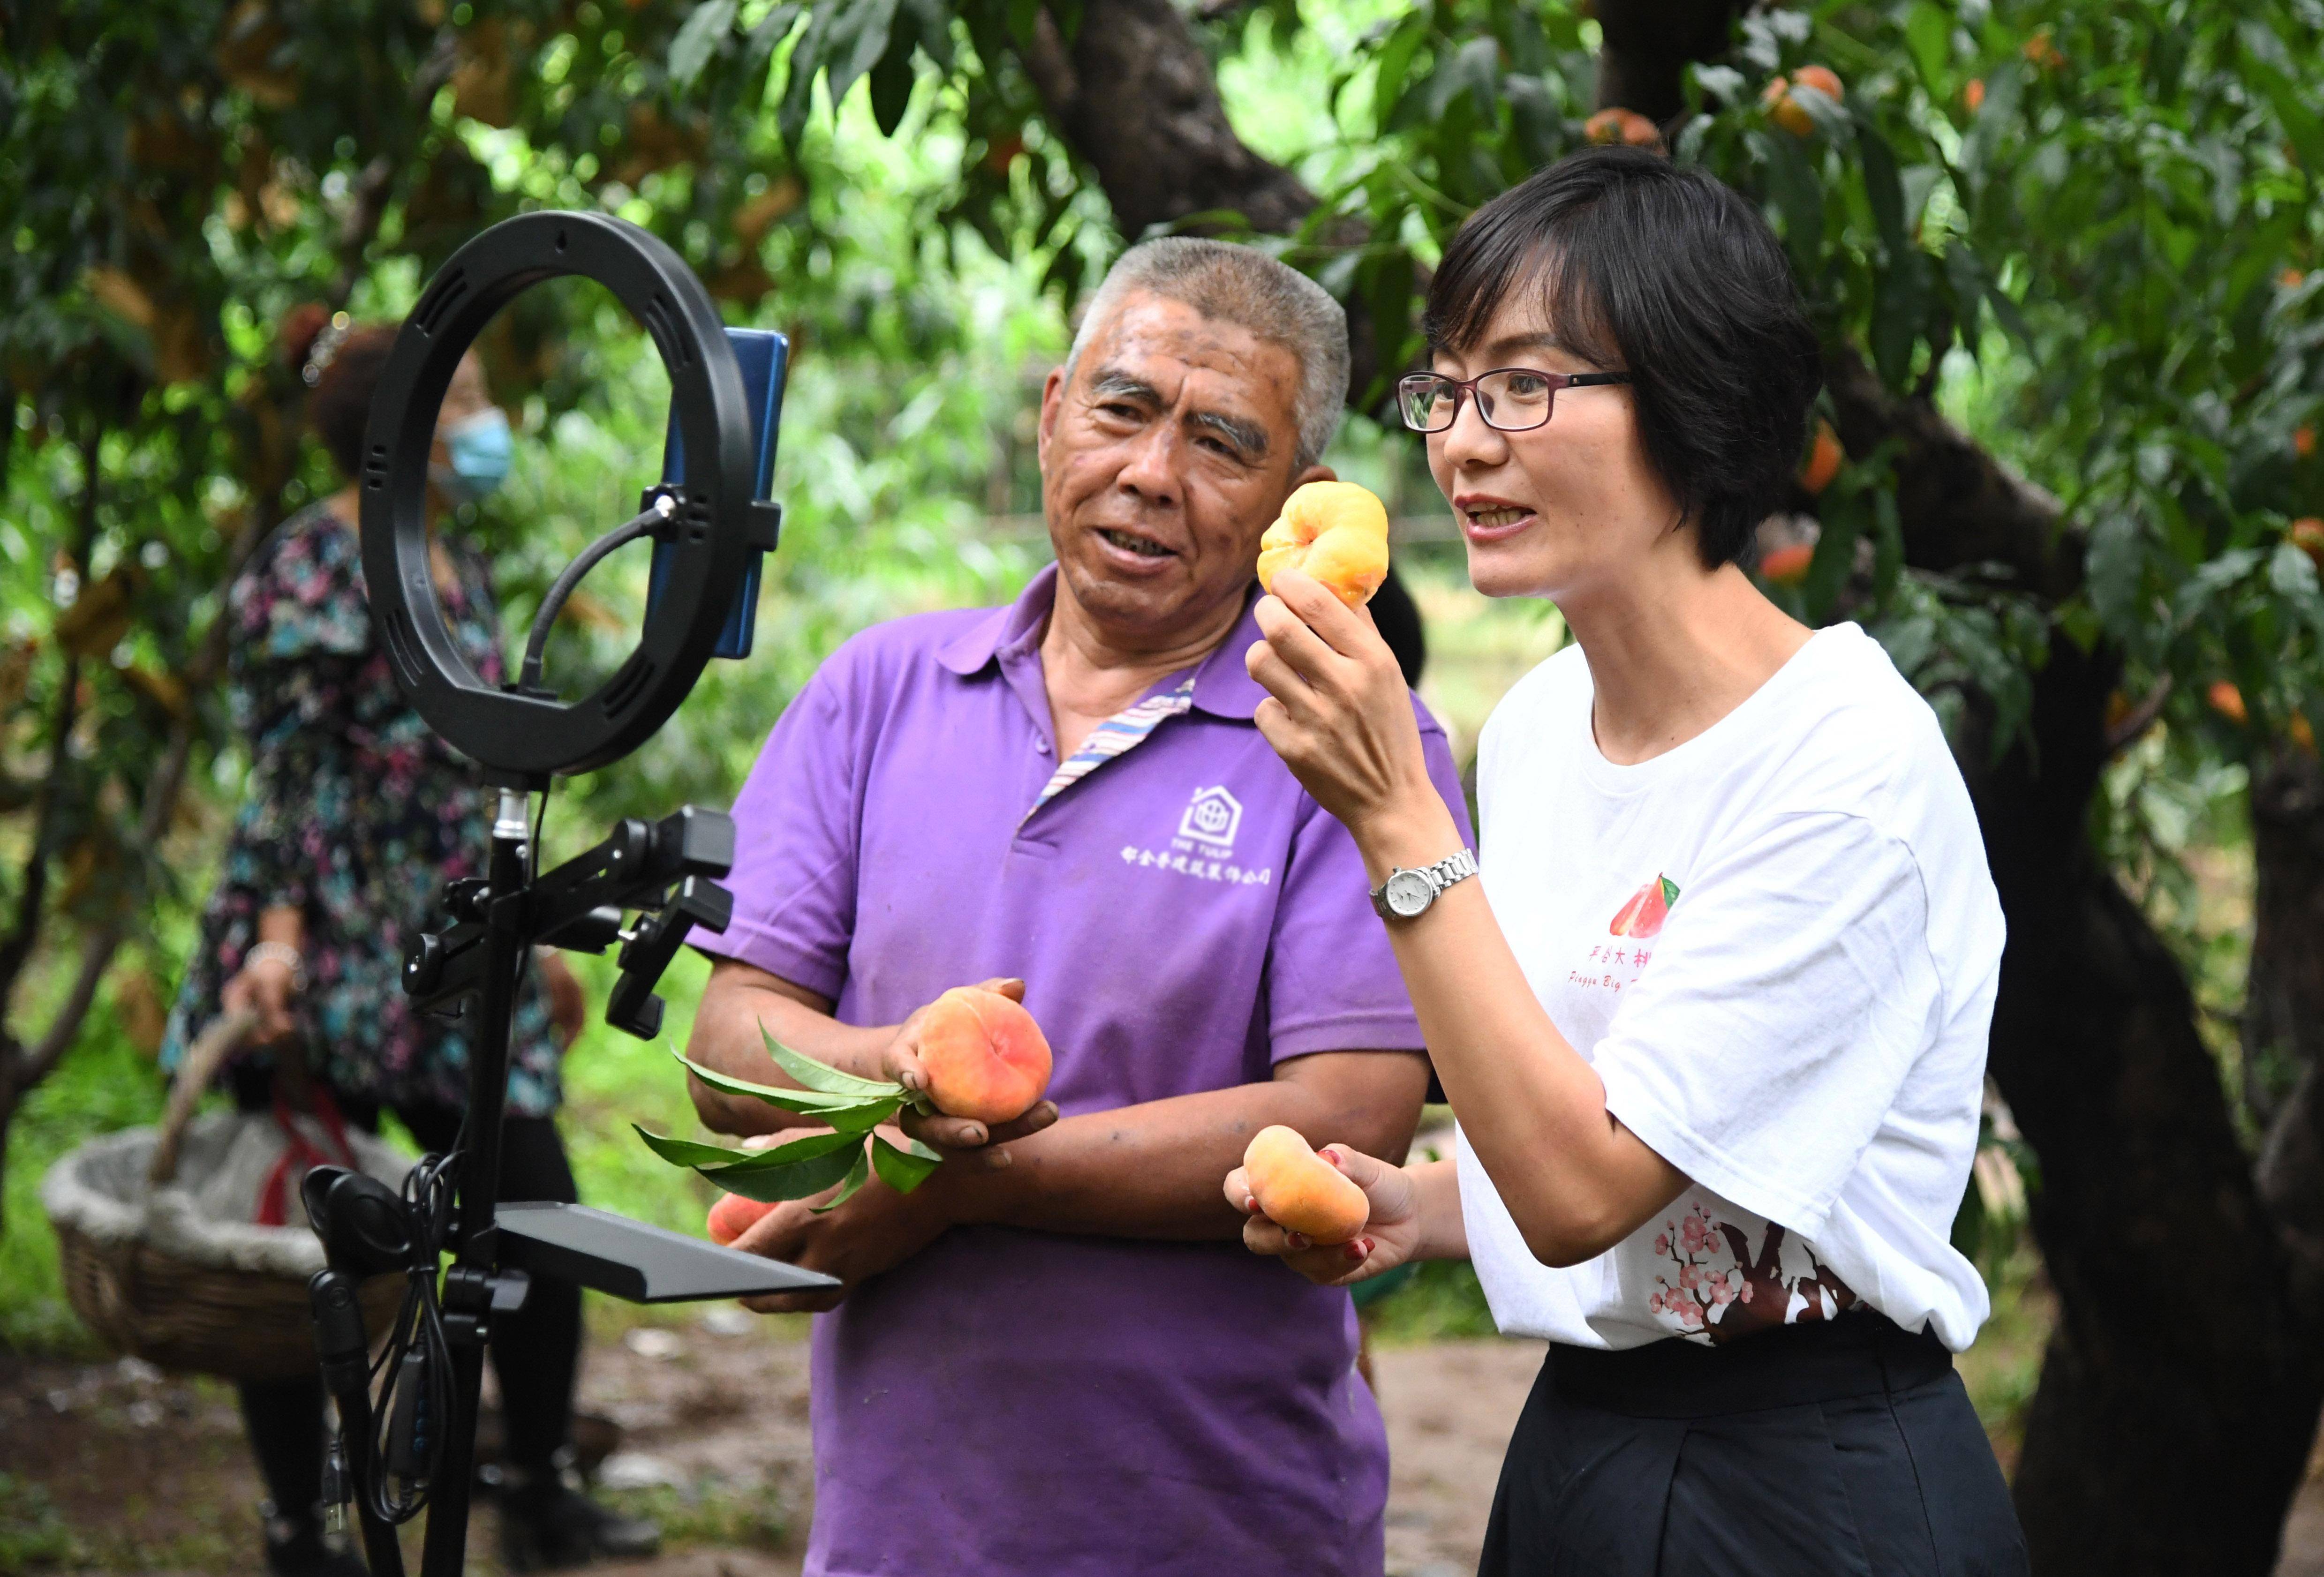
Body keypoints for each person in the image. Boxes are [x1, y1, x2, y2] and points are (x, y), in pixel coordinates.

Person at [1230, 147, 2030, 1575]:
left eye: (1527, 385)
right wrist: (1412, 1202)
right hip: (1581, 1446)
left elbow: (1584, 1185)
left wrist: (1398, 821)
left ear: (1696, 402)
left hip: (1810, 1480)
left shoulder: (1845, 770)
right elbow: (1583, 1116)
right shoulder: (1540, 725)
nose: (1466, 441)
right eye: (1450, 390)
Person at [682, 237, 1470, 1577]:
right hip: (898, 1534)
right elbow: (726, 1041)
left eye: (1222, 441)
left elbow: (1348, 1115)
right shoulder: (880, 691)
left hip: (1224, 1528)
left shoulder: (1348, 738)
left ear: (1300, 497)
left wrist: (948, 1190)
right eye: (1120, 407)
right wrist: (903, 1066)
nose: (1152, 473)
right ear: (1052, 411)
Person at [159, 307, 656, 1576]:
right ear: (409, 425)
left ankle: (536, 1481)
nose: (488, 420)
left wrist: (531, 928)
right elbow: (286, 781)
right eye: (469, 394)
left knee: (530, 1199)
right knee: (306, 1232)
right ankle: (296, 1521)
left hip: (443, 938)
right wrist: (271, 946)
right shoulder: (309, 569)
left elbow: (488, 772)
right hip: (321, 937)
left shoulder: (452, 560)